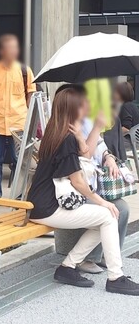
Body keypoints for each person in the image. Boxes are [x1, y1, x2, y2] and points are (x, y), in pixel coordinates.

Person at [28, 87, 139, 294]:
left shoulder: (57, 134)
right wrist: (103, 202)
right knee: (108, 215)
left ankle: (68, 267)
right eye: (82, 104)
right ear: (73, 110)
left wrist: (80, 138)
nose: (87, 107)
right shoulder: (65, 139)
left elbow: (83, 159)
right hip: (49, 207)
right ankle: (115, 277)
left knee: (105, 219)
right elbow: (78, 182)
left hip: (43, 202)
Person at [54, 84, 129, 275]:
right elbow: (84, 157)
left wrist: (109, 157)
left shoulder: (87, 119)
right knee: (109, 212)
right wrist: (95, 128)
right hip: (75, 190)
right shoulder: (68, 128)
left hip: (90, 183)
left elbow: (100, 146)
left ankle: (108, 254)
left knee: (122, 208)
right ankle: (88, 258)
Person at [0, 34, 35, 198]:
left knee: (19, 161)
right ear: (1, 51)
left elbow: (31, 95)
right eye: (9, 48)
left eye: (15, 48)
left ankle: (19, 195)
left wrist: (21, 110)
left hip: (18, 123)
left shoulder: (25, 71)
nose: (13, 51)